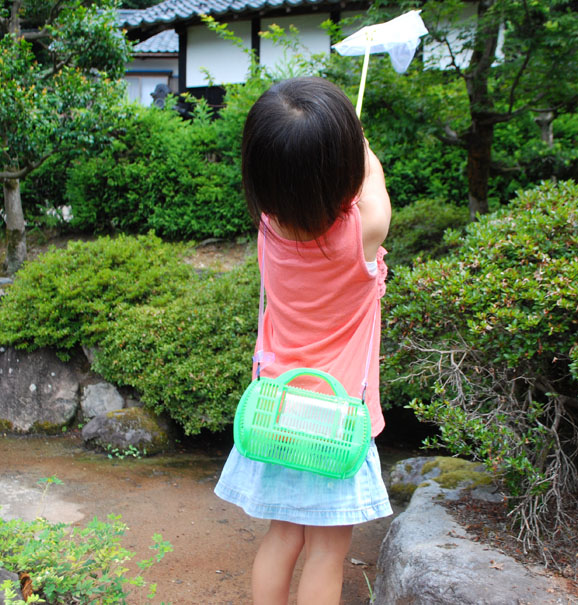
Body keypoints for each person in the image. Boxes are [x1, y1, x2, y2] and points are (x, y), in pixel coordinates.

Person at [214, 76, 393, 605]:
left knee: (282, 536)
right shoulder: (364, 232)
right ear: (341, 169)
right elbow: (373, 179)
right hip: (336, 420)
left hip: (279, 411)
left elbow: (306, 179)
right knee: (326, 553)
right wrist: (358, 142)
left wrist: (335, 145)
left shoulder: (268, 227)